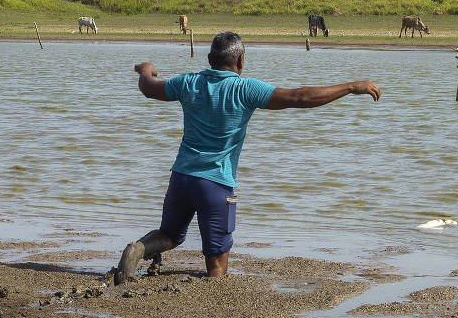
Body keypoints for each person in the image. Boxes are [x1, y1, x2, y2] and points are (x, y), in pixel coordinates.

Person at [116, 30, 379, 281]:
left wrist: (146, 70)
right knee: (217, 269)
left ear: (209, 60)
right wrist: (351, 87)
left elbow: (149, 88)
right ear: (241, 61)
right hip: (216, 184)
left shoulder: (188, 82)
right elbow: (299, 97)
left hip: (181, 178)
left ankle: (139, 248)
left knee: (170, 235)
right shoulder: (245, 90)